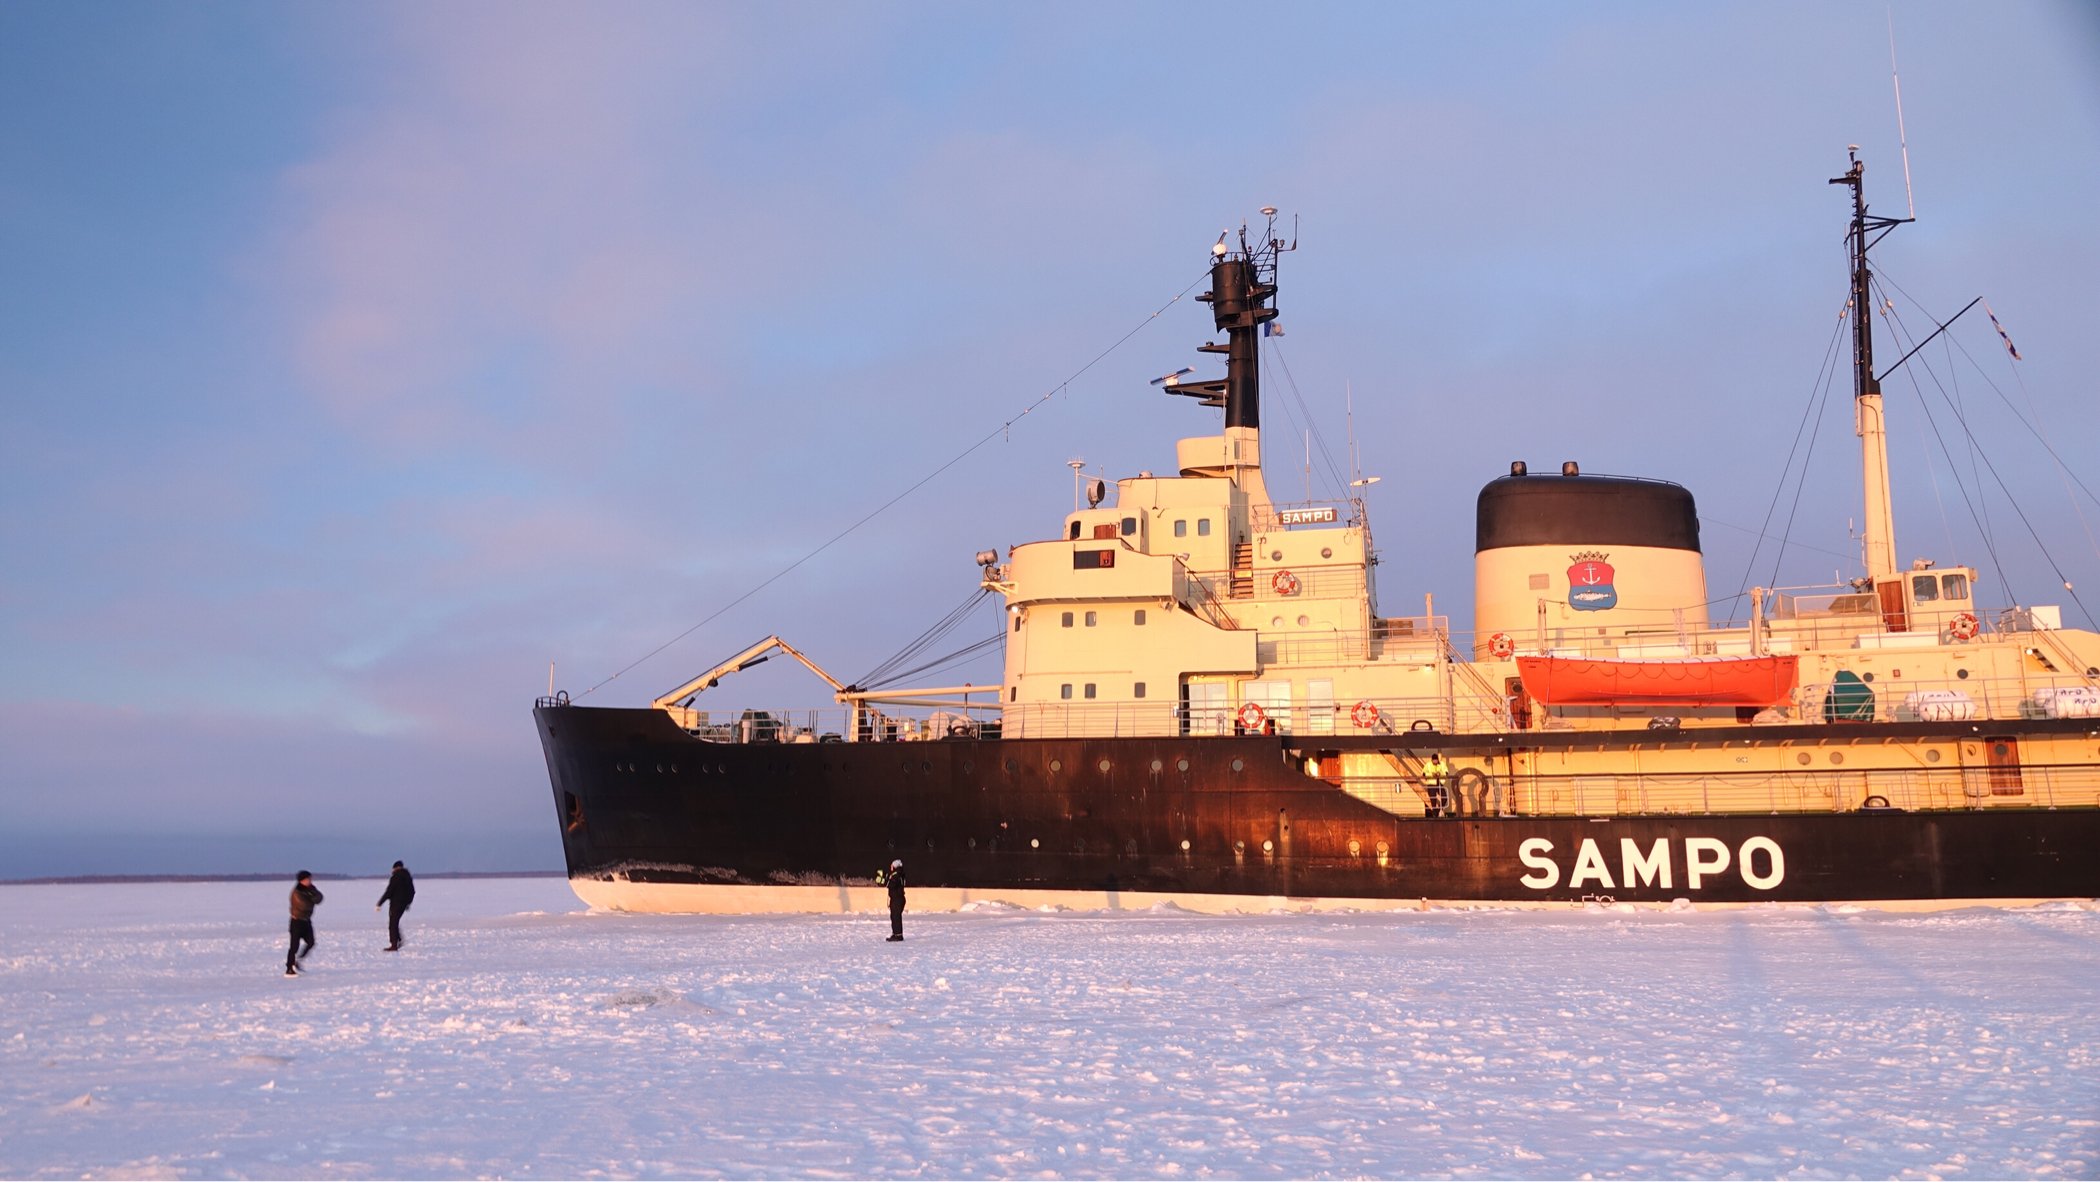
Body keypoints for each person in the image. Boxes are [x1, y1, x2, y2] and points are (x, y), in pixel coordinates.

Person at [285, 871, 323, 976]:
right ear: (301, 880)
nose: (309, 881)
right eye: (307, 879)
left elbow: (319, 898)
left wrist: (312, 895)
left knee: (311, 942)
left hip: (306, 921)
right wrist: (312, 897)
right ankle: (289, 968)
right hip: (296, 921)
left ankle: (299, 960)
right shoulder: (296, 892)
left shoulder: (311, 889)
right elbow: (305, 906)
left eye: (310, 879)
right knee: (294, 946)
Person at [375, 860, 415, 951]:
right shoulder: (407, 877)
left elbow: (389, 891)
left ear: (395, 868)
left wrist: (380, 903)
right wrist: (408, 903)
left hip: (396, 904)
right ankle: (398, 940)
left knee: (393, 924)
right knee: (394, 922)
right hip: (403, 904)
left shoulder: (396, 877)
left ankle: (394, 944)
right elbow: (412, 891)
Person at [1422, 753, 1451, 818]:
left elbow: (1446, 772)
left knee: (1444, 797)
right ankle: (1434, 814)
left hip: (1439, 782)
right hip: (1431, 783)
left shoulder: (1442, 764)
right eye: (1434, 760)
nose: (1435, 762)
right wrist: (1431, 774)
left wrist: (1440, 774)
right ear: (1432, 760)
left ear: (1438, 760)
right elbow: (1423, 773)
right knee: (1433, 799)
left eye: (1436, 760)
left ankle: (1439, 809)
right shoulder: (1428, 765)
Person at [885, 858, 907, 941]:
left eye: (892, 866)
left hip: (897, 899)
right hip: (897, 898)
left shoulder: (896, 875)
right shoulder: (899, 874)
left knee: (896, 917)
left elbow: (891, 884)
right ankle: (896, 933)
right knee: (894, 916)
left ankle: (898, 935)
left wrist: (883, 881)